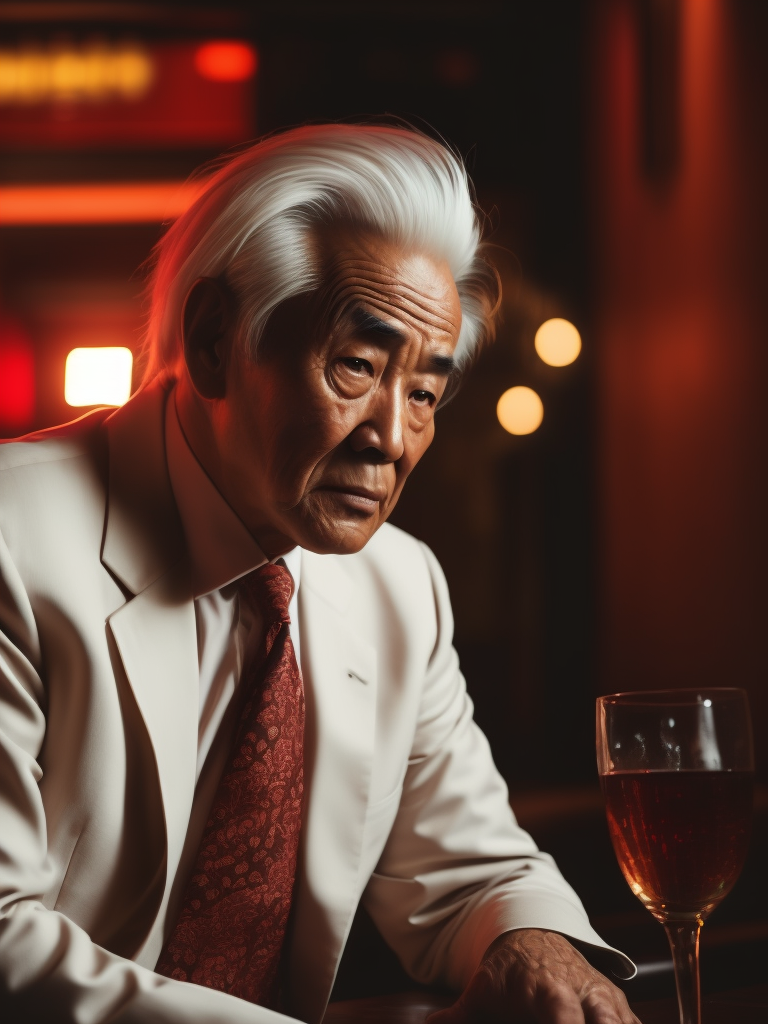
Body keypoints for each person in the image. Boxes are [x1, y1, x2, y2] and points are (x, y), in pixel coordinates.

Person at [0, 124, 639, 1024]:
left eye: (422, 393)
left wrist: (530, 946)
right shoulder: (12, 541)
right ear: (217, 337)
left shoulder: (400, 586)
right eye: (356, 365)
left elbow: (469, 865)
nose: (392, 439)